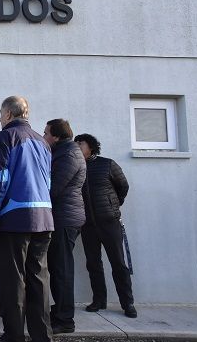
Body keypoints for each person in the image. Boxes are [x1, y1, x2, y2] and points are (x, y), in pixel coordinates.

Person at [0, 96, 54, 342]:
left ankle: (13, 335)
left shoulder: (3, 138)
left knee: (13, 282)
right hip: (44, 218)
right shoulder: (43, 143)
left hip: (14, 219)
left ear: (10, 115)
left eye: (1, 113)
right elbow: (47, 181)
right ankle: (42, 336)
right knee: (39, 280)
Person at [74, 133, 136, 318]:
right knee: (93, 264)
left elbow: (123, 187)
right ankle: (99, 299)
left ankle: (128, 303)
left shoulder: (107, 164)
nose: (77, 146)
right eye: (75, 143)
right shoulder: (76, 167)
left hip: (109, 223)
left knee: (118, 263)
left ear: (91, 146)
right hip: (87, 225)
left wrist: (112, 205)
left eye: (81, 143)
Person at [43, 119, 86, 334]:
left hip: (64, 219)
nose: (43, 137)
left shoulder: (68, 154)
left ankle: (65, 319)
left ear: (56, 136)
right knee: (58, 268)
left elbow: (54, 187)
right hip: (62, 217)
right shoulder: (65, 151)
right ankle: (59, 311)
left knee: (62, 270)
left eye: (46, 133)